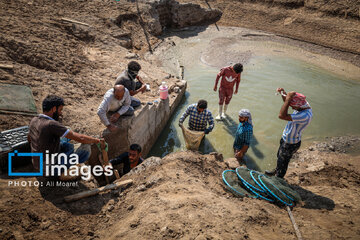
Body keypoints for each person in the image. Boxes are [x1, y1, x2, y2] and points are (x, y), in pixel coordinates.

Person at [28, 95, 100, 178]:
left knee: (66, 135)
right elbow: (81, 138)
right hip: (49, 169)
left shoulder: (34, 120)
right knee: (86, 147)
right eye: (60, 110)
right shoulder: (51, 124)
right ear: (54, 109)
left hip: (37, 164)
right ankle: (65, 171)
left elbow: (29, 139)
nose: (61, 113)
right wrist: (96, 140)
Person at [265, 88, 313, 178]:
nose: (292, 107)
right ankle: (277, 170)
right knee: (280, 157)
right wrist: (284, 94)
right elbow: (288, 102)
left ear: (298, 106)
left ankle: (278, 179)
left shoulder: (305, 116)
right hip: (287, 138)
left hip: (291, 143)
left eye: (293, 106)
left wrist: (287, 99)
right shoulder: (303, 104)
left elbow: (281, 115)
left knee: (283, 162)